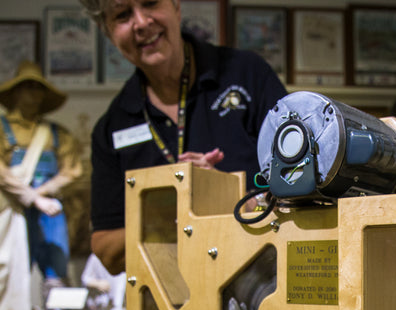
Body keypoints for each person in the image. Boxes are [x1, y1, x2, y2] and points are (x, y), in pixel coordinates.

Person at [78, 0, 287, 274]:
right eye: (122, 15)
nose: (141, 23)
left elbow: (307, 184)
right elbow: (107, 252)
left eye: (150, 3)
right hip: (172, 306)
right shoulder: (111, 128)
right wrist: (171, 209)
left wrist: (229, 197)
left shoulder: (247, 74)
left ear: (176, 5)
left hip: (267, 286)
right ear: (107, 30)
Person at [0, 62, 83, 289]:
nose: (34, 93)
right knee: (10, 276)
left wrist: (42, 194)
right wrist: (34, 198)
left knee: (56, 275)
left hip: (50, 209)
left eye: (39, 88)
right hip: (13, 208)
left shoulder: (58, 133)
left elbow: (72, 171)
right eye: (28, 86)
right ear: (15, 91)